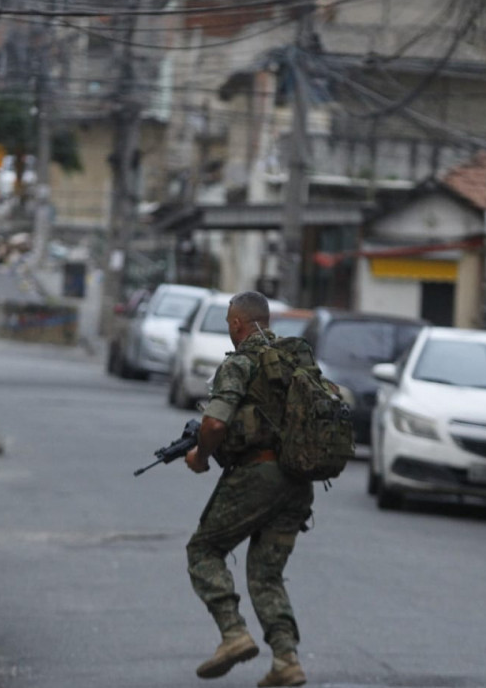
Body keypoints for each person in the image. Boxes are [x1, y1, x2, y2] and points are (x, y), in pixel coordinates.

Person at [184, 290, 314, 687]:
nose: (229, 330)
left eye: (228, 324)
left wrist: (201, 456)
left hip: (259, 475)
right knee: (266, 574)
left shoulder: (240, 363)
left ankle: (233, 634)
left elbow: (215, 423)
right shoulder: (298, 359)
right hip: (300, 482)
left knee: (204, 550)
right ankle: (287, 661)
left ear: (238, 324)